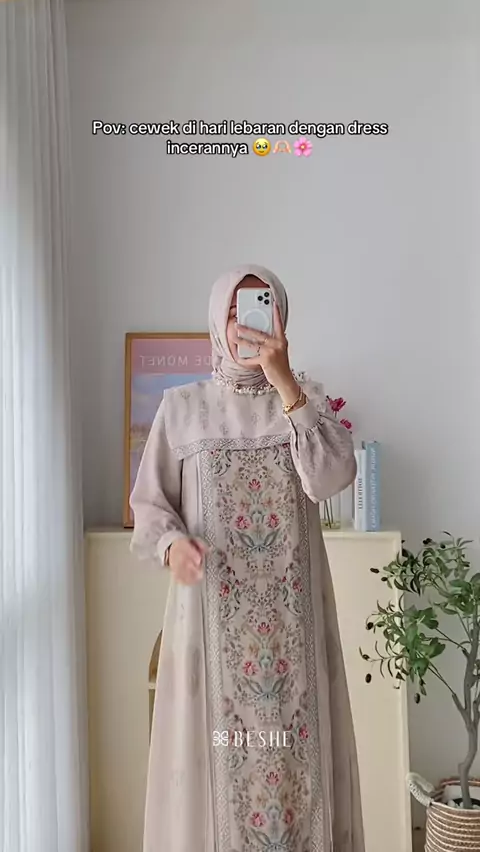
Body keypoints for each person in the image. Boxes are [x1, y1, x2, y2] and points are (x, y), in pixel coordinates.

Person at [130, 265, 365, 852]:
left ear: (279, 317)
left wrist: (285, 383)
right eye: (233, 311)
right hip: (210, 625)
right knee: (215, 777)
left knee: (297, 772)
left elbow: (332, 478)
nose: (244, 323)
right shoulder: (182, 408)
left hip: (294, 632)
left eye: (259, 308)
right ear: (217, 320)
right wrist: (171, 546)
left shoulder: (304, 400)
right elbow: (149, 505)